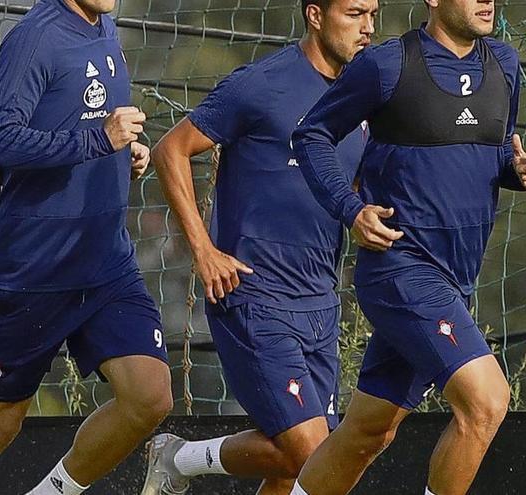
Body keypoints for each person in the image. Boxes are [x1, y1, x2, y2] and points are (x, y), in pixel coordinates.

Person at [288, 0, 526, 493]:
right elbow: (312, 135)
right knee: (487, 401)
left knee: (368, 431)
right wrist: (350, 208)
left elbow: (491, 151)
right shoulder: (387, 65)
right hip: (400, 270)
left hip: (457, 279)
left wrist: (516, 171)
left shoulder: (505, 64)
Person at [0, 0, 172, 494]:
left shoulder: (105, 25)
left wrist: (123, 153)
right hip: (35, 268)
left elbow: (91, 129)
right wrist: (96, 141)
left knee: (150, 399)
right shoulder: (34, 38)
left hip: (107, 262)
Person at [140, 0, 376, 493]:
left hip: (320, 304)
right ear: (315, 15)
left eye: (372, 14)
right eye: (354, 13)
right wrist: (204, 250)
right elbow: (170, 151)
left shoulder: (362, 102)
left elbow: (349, 191)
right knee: (313, 456)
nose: (367, 28)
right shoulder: (261, 83)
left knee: (293, 470)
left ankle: (176, 457)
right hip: (253, 295)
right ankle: (182, 460)